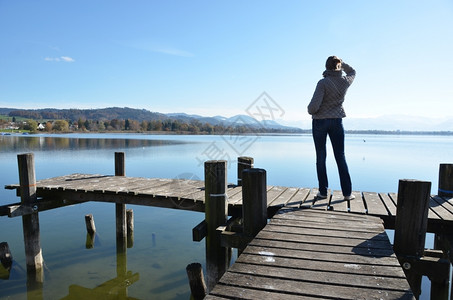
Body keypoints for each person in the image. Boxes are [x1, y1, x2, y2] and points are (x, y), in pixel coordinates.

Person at [307, 56, 356, 200]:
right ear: (338, 67)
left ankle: (323, 192)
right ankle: (347, 193)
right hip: (337, 122)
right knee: (340, 156)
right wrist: (342, 64)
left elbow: (313, 108)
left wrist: (311, 109)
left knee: (321, 157)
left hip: (320, 123)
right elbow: (352, 71)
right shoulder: (345, 81)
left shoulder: (323, 83)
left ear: (326, 67)